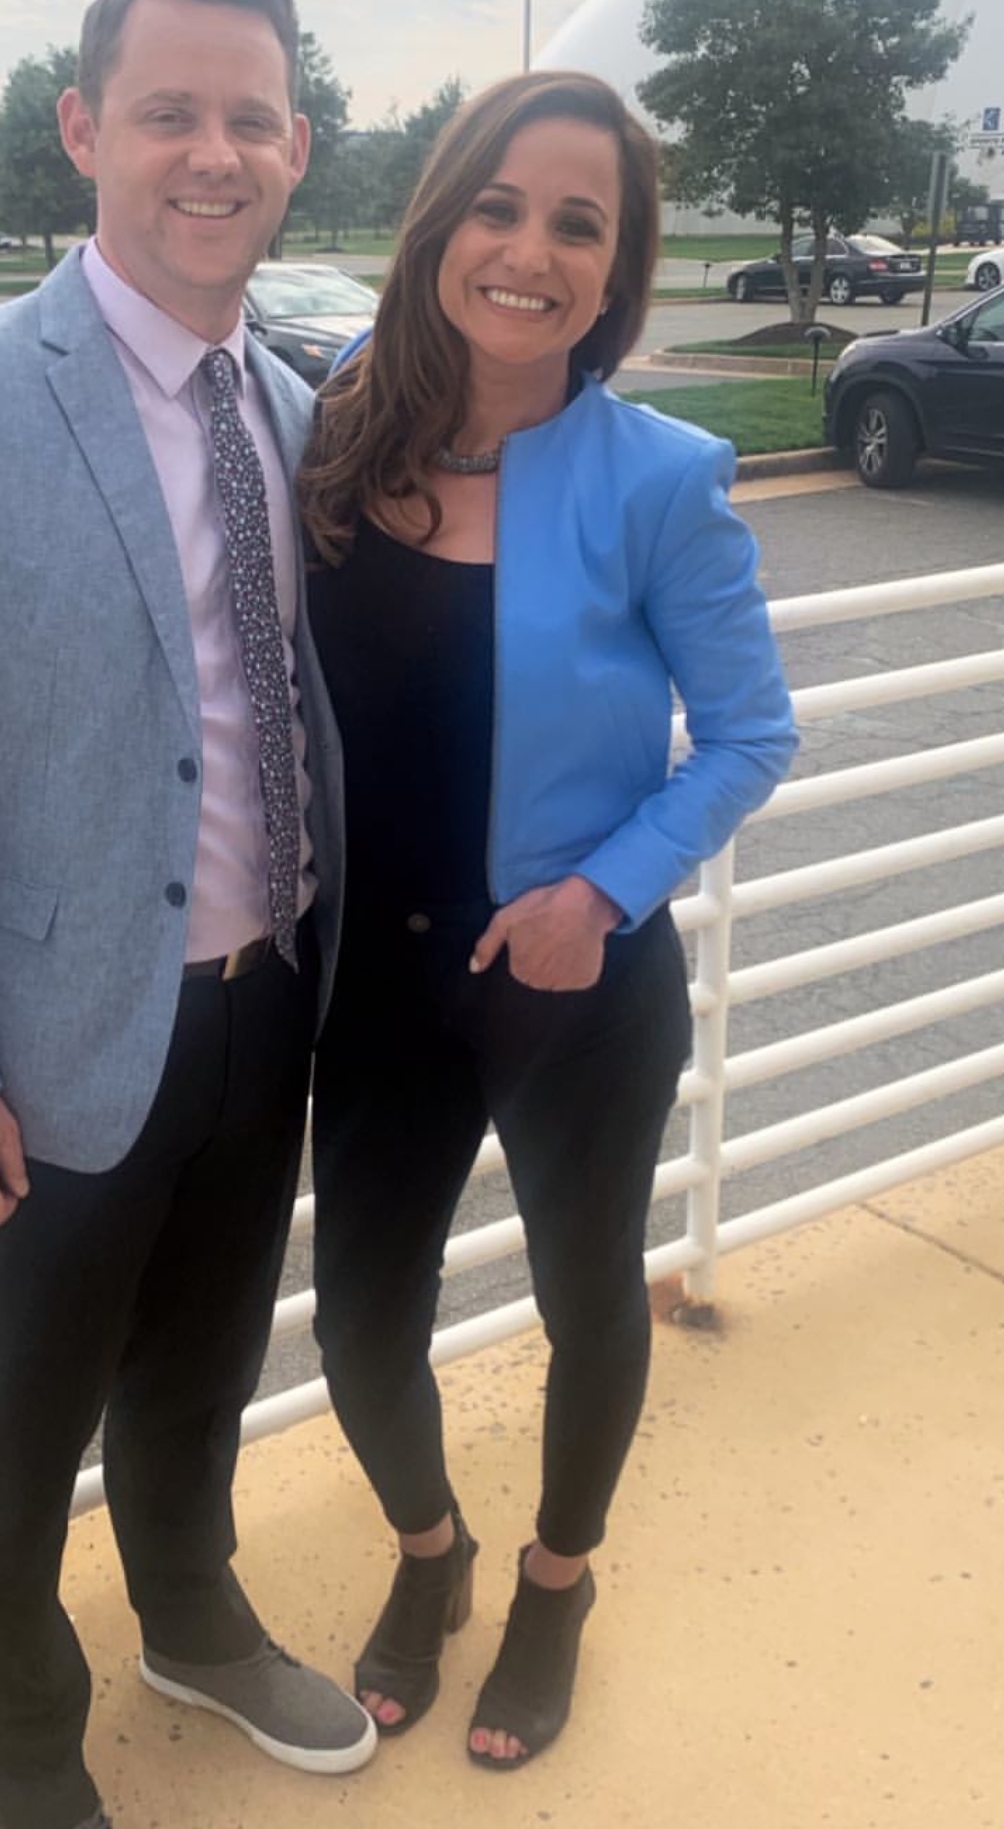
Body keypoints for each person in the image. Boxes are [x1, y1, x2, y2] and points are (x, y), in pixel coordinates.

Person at [0, 2, 376, 1824]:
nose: (211, 155)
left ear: (296, 148)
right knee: (17, 1434)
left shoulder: (293, 413)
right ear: (85, 130)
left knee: (203, 1366)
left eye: (249, 118)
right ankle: (18, 1761)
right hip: (56, 1040)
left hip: (264, 996)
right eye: (168, 113)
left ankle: (190, 1615)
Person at [299, 70, 797, 1771]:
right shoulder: (339, 426)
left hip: (571, 975)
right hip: (377, 973)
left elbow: (748, 736)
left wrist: (600, 892)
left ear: (615, 270)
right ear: (441, 222)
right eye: (498, 207)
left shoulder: (660, 478)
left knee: (590, 1300)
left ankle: (554, 1582)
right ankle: (429, 1548)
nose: (528, 252)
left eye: (576, 225)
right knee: (357, 1316)